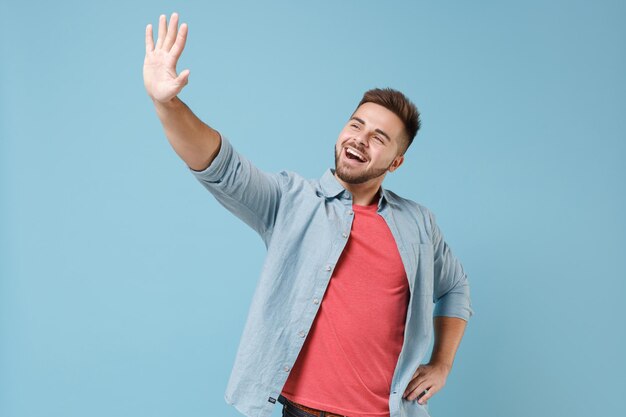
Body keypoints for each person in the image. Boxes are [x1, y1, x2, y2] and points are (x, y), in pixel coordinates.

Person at [143, 12, 473, 417]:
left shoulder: (418, 224)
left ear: (396, 162)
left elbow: (455, 287)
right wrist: (168, 104)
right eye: (356, 124)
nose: (360, 139)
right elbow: (221, 166)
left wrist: (442, 364)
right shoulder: (291, 200)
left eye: (378, 138)